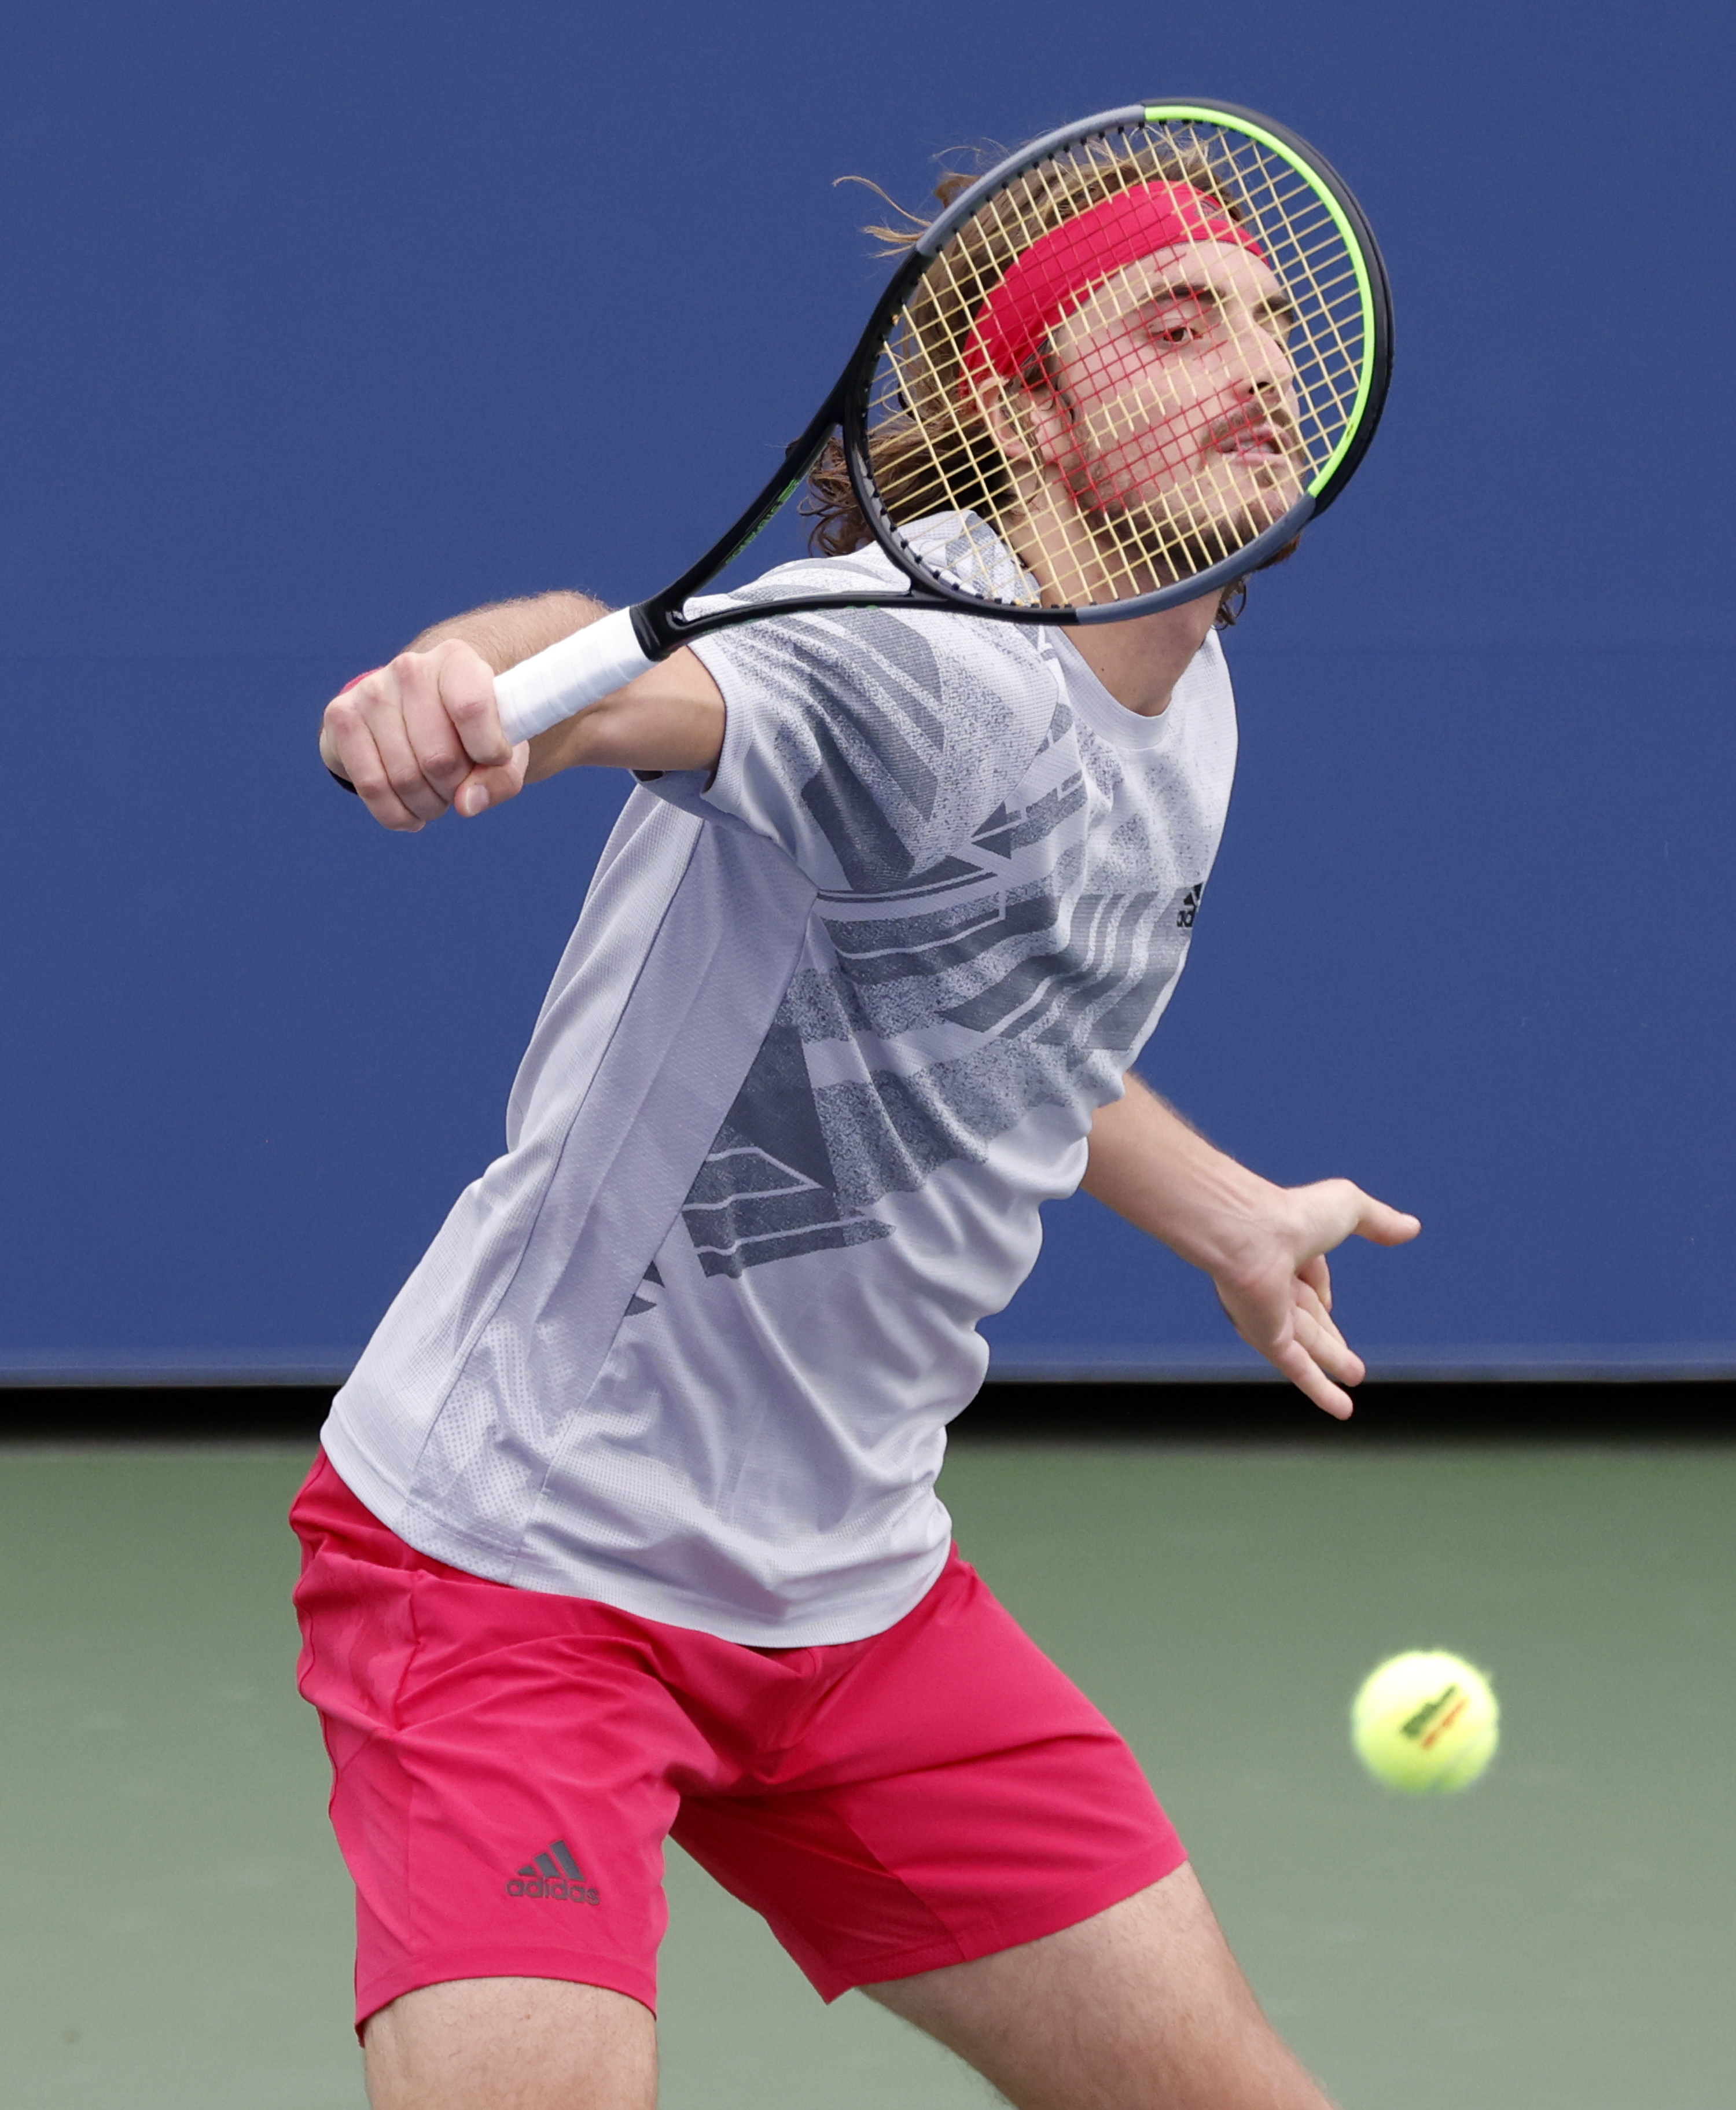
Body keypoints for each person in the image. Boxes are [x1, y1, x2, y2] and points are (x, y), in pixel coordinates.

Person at [303, 148, 1418, 2110]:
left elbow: (1010, 1007)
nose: (1256, 367)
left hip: (855, 1598)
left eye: (1268, 324)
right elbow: (609, 663)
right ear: (1024, 414)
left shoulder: (1188, 696)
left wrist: (1224, 1213)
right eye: (1174, 328)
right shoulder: (922, 664)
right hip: (522, 1570)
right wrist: (469, 682)